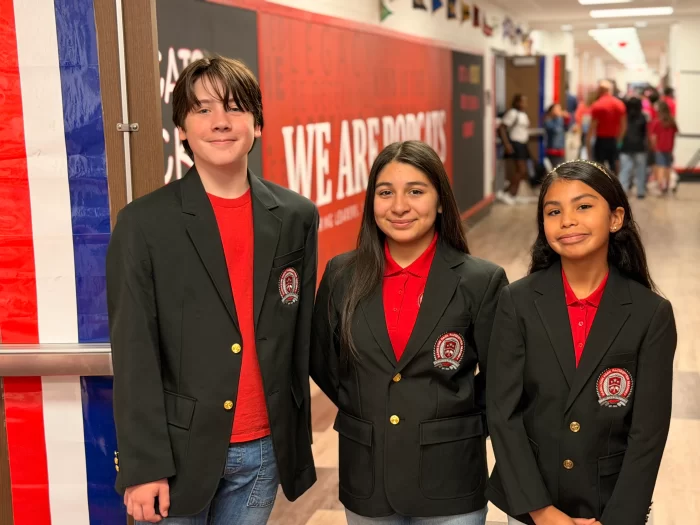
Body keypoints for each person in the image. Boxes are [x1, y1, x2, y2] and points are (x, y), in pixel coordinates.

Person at [106, 55, 318, 524]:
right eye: (202, 110)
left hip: (261, 449)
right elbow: (134, 350)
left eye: (235, 108)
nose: (220, 122)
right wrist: (144, 466)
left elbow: (300, 335)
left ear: (257, 124)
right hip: (177, 455)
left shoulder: (296, 216)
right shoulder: (144, 224)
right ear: (181, 128)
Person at [311, 140, 508, 525]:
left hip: (450, 477)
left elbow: (501, 378)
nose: (399, 206)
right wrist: (372, 406)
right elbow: (323, 362)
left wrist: (455, 422)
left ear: (439, 201)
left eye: (415, 192)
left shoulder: (480, 280)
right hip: (368, 475)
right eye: (385, 193)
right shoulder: (341, 275)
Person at [486, 159, 677, 525]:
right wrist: (541, 511)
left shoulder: (650, 313)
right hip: (533, 505)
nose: (568, 220)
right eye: (553, 211)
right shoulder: (517, 302)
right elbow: (503, 413)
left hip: (611, 506)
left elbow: (648, 433)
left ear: (616, 218)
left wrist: (617, 519)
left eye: (584, 206)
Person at [587, 80, 626, 174]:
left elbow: (592, 127)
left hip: (601, 140)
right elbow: (624, 126)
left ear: (599, 90)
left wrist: (588, 142)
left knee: (599, 168)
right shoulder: (619, 104)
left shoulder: (597, 105)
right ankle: (615, 186)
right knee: (614, 166)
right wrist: (619, 140)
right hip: (614, 140)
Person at [499, 94, 531, 204]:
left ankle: (513, 193)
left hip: (523, 144)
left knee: (523, 171)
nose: (524, 104)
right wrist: (507, 144)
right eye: (522, 101)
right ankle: (509, 193)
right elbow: (502, 128)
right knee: (520, 170)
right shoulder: (512, 113)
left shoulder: (524, 114)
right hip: (515, 143)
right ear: (516, 102)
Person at [619, 97, 648, 199]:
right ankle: (640, 191)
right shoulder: (643, 117)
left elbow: (621, 131)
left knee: (625, 170)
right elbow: (645, 133)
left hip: (625, 146)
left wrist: (619, 144)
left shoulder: (624, 117)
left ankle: (623, 191)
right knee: (640, 170)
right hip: (639, 146)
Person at [649, 101, 679, 194]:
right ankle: (667, 185)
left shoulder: (657, 122)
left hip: (659, 147)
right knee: (667, 167)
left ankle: (660, 186)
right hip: (669, 148)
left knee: (660, 166)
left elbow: (653, 137)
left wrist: (653, 146)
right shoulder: (672, 122)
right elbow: (675, 134)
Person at [544, 104, 567, 169]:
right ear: (551, 111)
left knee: (562, 170)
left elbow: (566, 129)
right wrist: (559, 117)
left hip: (561, 149)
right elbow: (556, 130)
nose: (560, 111)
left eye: (560, 109)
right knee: (557, 170)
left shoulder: (559, 120)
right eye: (557, 109)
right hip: (553, 150)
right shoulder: (548, 120)